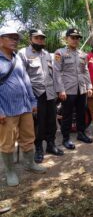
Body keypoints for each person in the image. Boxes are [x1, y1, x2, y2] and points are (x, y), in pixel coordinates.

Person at [0, 27, 46, 187]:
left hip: (25, 107)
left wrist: (33, 102)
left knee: (28, 138)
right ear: (0, 40)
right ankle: (10, 172)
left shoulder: (18, 58)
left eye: (16, 38)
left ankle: (30, 163)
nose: (15, 40)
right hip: (7, 110)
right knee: (7, 142)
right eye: (10, 37)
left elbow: (26, 80)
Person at [18, 29, 64, 163]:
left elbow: (53, 73)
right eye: (37, 38)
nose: (40, 41)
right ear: (30, 39)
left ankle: (51, 145)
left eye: (42, 38)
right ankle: (38, 148)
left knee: (51, 121)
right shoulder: (23, 53)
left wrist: (58, 90)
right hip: (35, 94)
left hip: (50, 94)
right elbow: (22, 76)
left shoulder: (46, 54)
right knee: (38, 123)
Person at [53, 28, 93, 149]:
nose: (75, 40)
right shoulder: (59, 53)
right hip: (68, 90)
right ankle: (66, 138)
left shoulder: (82, 55)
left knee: (81, 112)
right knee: (67, 114)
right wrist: (61, 89)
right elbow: (57, 72)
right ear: (67, 38)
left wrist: (89, 86)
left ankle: (81, 133)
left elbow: (85, 71)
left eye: (77, 38)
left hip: (81, 89)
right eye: (73, 37)